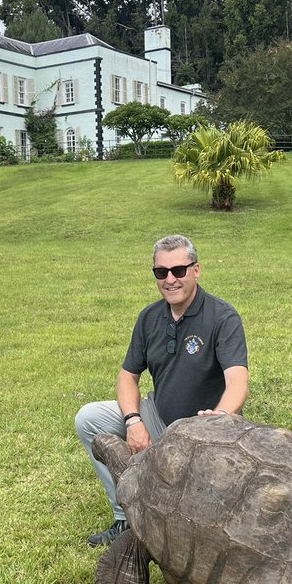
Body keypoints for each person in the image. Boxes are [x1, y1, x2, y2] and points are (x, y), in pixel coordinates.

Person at [75, 234, 249, 546]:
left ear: (196, 270)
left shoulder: (223, 317)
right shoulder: (149, 317)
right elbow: (128, 376)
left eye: (179, 271)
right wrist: (133, 420)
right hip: (159, 415)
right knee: (88, 418)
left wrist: (220, 417)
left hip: (205, 430)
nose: (170, 280)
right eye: (161, 272)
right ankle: (126, 518)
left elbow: (238, 380)